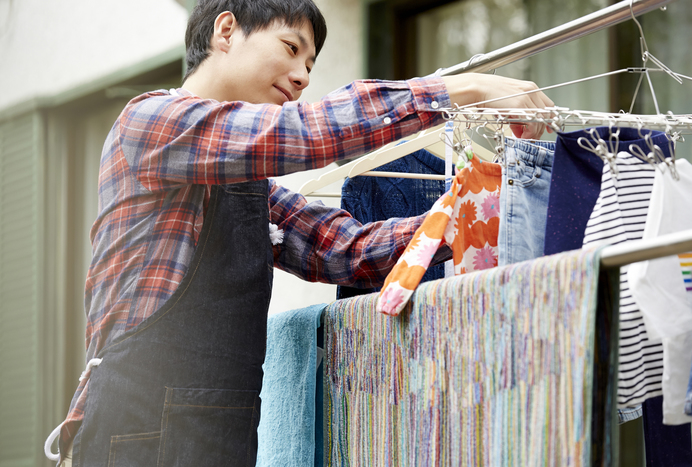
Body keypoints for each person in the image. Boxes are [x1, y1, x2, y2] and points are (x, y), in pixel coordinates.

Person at [46, 0, 554, 465]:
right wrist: (461, 90)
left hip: (221, 429)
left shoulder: (248, 183)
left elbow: (346, 250)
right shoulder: (150, 122)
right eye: (292, 49)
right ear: (227, 30)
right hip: (138, 428)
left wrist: (477, 211)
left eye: (310, 65)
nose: (302, 76)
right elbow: (304, 133)